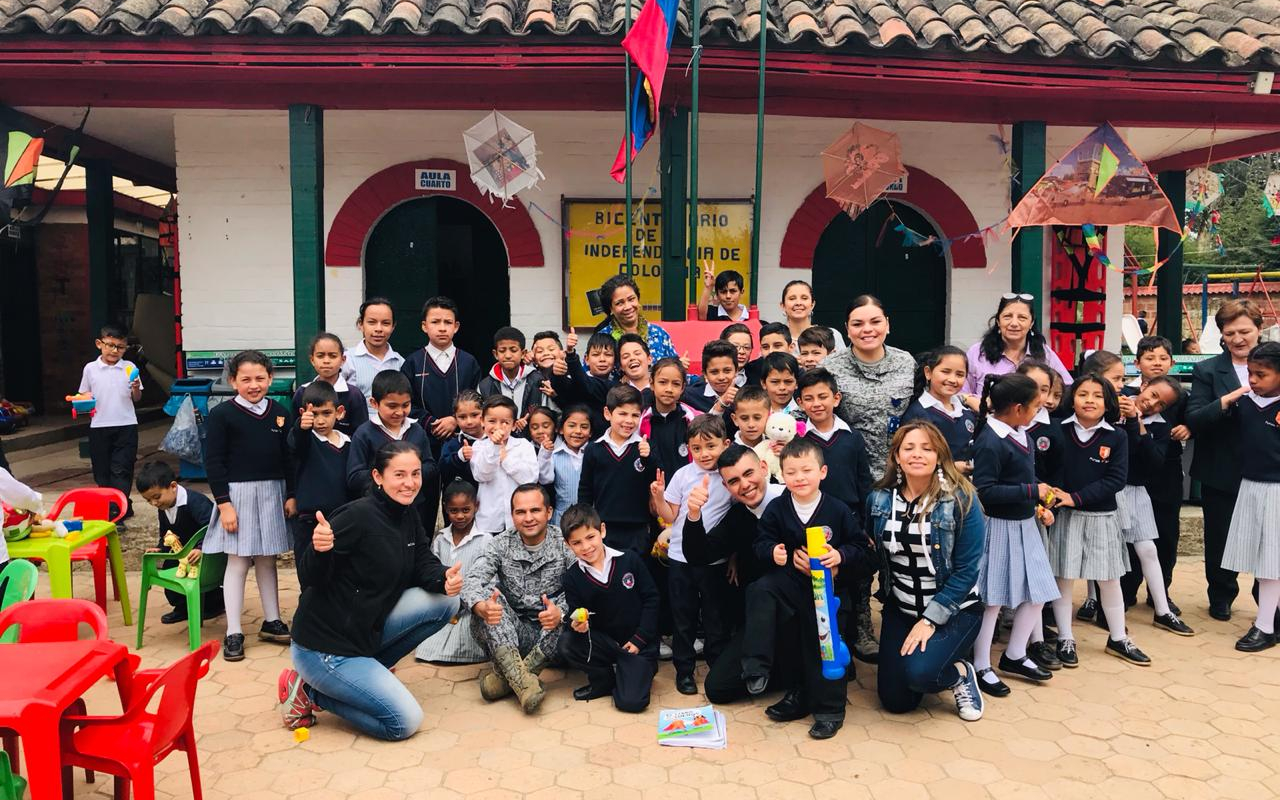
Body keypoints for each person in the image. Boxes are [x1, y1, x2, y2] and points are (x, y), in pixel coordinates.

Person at [280, 441, 464, 739]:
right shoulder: (356, 516)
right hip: (325, 648)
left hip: (364, 631)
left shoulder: (407, 513)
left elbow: (421, 561)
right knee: (404, 722)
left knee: (448, 602)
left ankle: (370, 671)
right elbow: (310, 577)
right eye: (399, 475)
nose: (409, 483)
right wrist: (320, 550)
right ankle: (310, 692)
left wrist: (444, 578)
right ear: (378, 476)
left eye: (415, 474)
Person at [742, 437, 875, 740]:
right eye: (791, 472)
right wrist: (772, 551)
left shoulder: (838, 510)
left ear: (822, 472)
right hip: (790, 584)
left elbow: (862, 551)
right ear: (781, 474)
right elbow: (761, 542)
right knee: (761, 590)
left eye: (806, 470)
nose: (799, 478)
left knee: (823, 645)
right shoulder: (777, 508)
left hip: (828, 590)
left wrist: (840, 557)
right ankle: (761, 669)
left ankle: (830, 710)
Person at [868, 421, 986, 722]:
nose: (917, 454)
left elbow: (967, 571)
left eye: (927, 448)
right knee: (896, 701)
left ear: (939, 456)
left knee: (920, 675)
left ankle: (960, 674)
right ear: (897, 456)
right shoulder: (879, 499)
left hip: (954, 610)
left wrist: (929, 620)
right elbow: (870, 553)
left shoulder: (962, 499)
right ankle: (929, 663)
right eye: (908, 448)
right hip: (902, 608)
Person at [822, 294, 917, 661]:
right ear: (847, 329)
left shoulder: (906, 363)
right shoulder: (832, 366)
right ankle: (861, 623)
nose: (867, 330)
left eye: (875, 321)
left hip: (900, 475)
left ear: (887, 324)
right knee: (861, 548)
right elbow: (808, 407)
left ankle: (900, 617)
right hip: (849, 476)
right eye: (858, 323)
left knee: (899, 547)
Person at [1046, 374, 1152, 667]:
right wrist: (1057, 497)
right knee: (1063, 578)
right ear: (1072, 400)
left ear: (1108, 403)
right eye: (1082, 394)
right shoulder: (1057, 430)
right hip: (1065, 517)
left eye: (1097, 396)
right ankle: (1065, 637)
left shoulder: (1116, 436)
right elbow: (1048, 469)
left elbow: (1116, 479)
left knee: (1109, 579)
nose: (1089, 401)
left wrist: (1075, 497)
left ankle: (1118, 637)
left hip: (1102, 517)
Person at [202, 350, 295, 662]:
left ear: (270, 378)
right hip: (237, 496)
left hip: (272, 492)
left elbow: (289, 458)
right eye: (246, 379)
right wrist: (224, 504)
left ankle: (272, 621)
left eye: (260, 378)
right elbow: (213, 462)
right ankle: (233, 631)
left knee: (268, 559)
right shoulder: (221, 415)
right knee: (239, 562)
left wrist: (291, 494)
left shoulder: (280, 412)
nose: (254, 385)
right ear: (233, 381)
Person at [969, 373, 1058, 697]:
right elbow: (985, 491)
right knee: (991, 601)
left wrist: (1037, 501)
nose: (1038, 411)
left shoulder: (1022, 433)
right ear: (1018, 408)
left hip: (1024, 524)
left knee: (1038, 591)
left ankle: (1015, 654)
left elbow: (1024, 478)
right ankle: (981, 665)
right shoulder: (990, 441)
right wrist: (1032, 491)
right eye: (1035, 406)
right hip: (998, 527)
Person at [681, 446, 790, 707]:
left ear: (764, 468)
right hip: (760, 622)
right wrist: (693, 514)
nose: (744, 485)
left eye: (748, 474)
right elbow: (699, 555)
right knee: (718, 687)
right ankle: (784, 672)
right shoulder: (739, 516)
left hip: (800, 614)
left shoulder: (793, 500)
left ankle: (799, 671)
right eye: (734, 481)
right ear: (726, 487)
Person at [463, 484, 577, 713]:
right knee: (488, 599)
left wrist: (561, 613)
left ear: (549, 512)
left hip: (553, 638)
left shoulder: (564, 542)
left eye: (535, 510)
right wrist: (482, 607)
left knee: (565, 608)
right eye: (520, 512)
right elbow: (472, 579)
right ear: (512, 515)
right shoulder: (501, 543)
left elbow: (587, 584)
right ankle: (524, 682)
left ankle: (507, 679)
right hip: (511, 636)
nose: (528, 518)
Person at [1186, 299, 1264, 622]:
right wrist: (1228, 400)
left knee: (1268, 539)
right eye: (1230, 333)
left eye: (1245, 331)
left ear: (1259, 329)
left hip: (1267, 469)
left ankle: (1267, 600)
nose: (1238, 339)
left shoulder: (1276, 364)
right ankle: (1221, 595)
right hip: (1220, 467)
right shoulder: (1207, 370)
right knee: (1220, 537)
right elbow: (1195, 418)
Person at [650, 415, 733, 695]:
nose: (704, 453)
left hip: (715, 561)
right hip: (680, 559)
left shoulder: (729, 476)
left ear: (725, 444)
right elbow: (670, 516)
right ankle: (684, 671)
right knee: (682, 617)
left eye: (710, 446)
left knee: (715, 617)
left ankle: (717, 666)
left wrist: (733, 557)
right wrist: (659, 497)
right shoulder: (683, 475)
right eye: (696, 448)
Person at [559, 503, 660, 711]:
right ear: (567, 544)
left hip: (637, 644)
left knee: (631, 702)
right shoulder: (572, 577)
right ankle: (603, 680)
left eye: (590, 537)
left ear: (602, 530)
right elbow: (575, 613)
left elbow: (652, 600)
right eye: (577, 542)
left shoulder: (630, 560)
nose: (586, 547)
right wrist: (577, 625)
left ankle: (636, 670)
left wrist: (640, 639)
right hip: (606, 644)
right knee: (567, 643)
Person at [1219, 342, 1280, 652]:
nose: (1253, 380)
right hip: (1251, 486)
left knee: (1272, 563)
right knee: (1264, 561)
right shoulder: (1244, 404)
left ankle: (1265, 627)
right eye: (1251, 374)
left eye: (1262, 375)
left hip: (1276, 490)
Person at [1120, 375, 1193, 635]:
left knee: (1149, 549)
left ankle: (1162, 610)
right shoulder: (1114, 407)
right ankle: (1099, 602)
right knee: (1107, 549)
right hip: (1109, 491)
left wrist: (1138, 424)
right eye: (1151, 395)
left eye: (1161, 403)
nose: (1152, 403)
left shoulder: (1160, 426)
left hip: (1137, 491)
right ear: (1143, 386)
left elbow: (1153, 461)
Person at [347, 370, 439, 530]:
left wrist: (412, 474)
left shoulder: (417, 430)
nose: (399, 412)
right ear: (374, 403)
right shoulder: (364, 434)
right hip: (377, 511)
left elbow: (430, 466)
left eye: (405, 405)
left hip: (413, 509)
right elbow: (354, 477)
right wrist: (388, 477)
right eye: (392, 406)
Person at [136, 461, 224, 625]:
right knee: (169, 570)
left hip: (207, 553)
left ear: (173, 486)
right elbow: (166, 534)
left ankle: (215, 603)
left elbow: (213, 528)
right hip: (182, 554)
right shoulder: (163, 507)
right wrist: (159, 548)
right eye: (148, 501)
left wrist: (201, 548)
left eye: (156, 497)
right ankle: (183, 607)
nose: (154, 503)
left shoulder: (195, 502)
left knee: (205, 578)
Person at [415, 480, 491, 663]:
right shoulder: (440, 539)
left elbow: (486, 580)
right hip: (444, 604)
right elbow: (432, 570)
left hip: (471, 607)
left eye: (466, 510)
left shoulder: (485, 540)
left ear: (476, 506)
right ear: (445, 509)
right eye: (453, 511)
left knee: (466, 637)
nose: (460, 516)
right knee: (428, 642)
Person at [578, 385, 656, 556]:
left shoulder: (645, 447)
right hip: (604, 528)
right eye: (622, 414)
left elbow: (655, 483)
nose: (629, 420)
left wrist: (648, 459)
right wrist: (586, 522)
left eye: (635, 415)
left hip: (638, 529)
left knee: (635, 569)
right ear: (608, 413)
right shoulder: (594, 449)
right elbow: (585, 489)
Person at [400, 296, 483, 458]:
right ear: (424, 326)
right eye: (435, 322)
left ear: (456, 327)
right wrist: (432, 423)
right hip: (422, 443)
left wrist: (455, 420)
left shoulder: (468, 362)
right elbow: (406, 404)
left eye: (448, 322)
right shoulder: (413, 363)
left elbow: (479, 400)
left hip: (465, 445)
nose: (442, 328)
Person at [78, 323, 142, 520]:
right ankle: (115, 505)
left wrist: (135, 387)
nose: (115, 351)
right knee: (102, 470)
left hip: (126, 424)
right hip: (99, 425)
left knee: (122, 468)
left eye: (120, 347)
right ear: (99, 344)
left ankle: (117, 511)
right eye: (111, 345)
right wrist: (82, 401)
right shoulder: (90, 369)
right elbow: (83, 394)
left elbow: (137, 398)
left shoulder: (130, 367)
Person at [962, 294, 1073, 395]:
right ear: (998, 321)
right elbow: (962, 393)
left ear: (1031, 323)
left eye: (1022, 318)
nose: (1014, 323)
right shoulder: (978, 352)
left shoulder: (1044, 353)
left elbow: (1068, 388)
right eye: (1007, 316)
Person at [288, 381, 351, 558]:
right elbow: (297, 441)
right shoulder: (306, 439)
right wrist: (302, 427)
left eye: (326, 413)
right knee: (309, 567)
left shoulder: (349, 442)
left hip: (342, 518)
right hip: (309, 520)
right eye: (314, 414)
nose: (320, 420)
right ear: (303, 413)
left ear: (339, 412)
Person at [797, 368, 872, 514]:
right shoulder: (798, 440)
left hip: (850, 516)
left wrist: (864, 521)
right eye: (809, 399)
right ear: (800, 403)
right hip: (811, 516)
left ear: (836, 399)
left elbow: (863, 483)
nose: (816, 404)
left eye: (822, 397)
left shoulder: (852, 437)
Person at [470, 395, 539, 535]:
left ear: (513, 425)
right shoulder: (479, 446)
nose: (498, 427)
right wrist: (494, 449)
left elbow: (530, 479)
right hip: (489, 521)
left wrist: (506, 460)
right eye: (492, 421)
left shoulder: (524, 446)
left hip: (519, 521)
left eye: (505, 422)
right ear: (482, 421)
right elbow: (481, 475)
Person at [901, 346, 977, 471]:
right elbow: (912, 459)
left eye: (960, 374)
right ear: (928, 373)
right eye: (945, 372)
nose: (952, 380)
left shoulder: (967, 413)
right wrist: (952, 468)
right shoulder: (918, 415)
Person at [292, 332, 369, 437]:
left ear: (343, 360)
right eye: (320, 356)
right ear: (312, 360)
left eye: (333, 356)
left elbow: (361, 434)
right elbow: (293, 433)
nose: (326, 361)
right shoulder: (302, 392)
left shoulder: (354, 395)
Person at [343, 298, 403, 417]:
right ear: (361, 324)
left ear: (393, 326)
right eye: (372, 322)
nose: (378, 329)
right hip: (355, 426)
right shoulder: (347, 359)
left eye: (385, 323)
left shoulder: (400, 362)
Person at [596, 274, 677, 361]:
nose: (628, 307)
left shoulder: (658, 333)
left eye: (631, 299)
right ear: (611, 308)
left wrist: (678, 364)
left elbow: (673, 366)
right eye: (619, 303)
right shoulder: (603, 338)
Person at [641, 358, 699, 480]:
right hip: (652, 489)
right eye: (663, 382)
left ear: (683, 387)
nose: (669, 389)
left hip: (688, 488)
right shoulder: (641, 421)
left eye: (676, 384)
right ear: (651, 383)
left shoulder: (693, 419)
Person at [478, 326, 546, 428]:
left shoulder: (538, 381)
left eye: (513, 350)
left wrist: (530, 421)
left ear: (523, 353)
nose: (508, 355)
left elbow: (546, 414)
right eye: (502, 351)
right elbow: (481, 420)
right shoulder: (485, 386)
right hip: (498, 436)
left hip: (531, 436)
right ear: (495, 354)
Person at [550, 404, 593, 525]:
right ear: (561, 429)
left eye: (584, 427)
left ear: (590, 432)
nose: (578, 431)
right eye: (571, 426)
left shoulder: (596, 454)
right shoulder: (554, 456)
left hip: (590, 519)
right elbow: (545, 479)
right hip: (561, 519)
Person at [778, 280, 845, 352]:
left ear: (812, 305)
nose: (798, 303)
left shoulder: (832, 335)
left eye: (804, 298)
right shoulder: (775, 339)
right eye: (792, 298)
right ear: (783, 306)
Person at [438, 389, 483, 489]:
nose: (469, 421)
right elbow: (443, 469)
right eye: (462, 417)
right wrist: (459, 457)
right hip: (466, 497)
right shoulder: (452, 443)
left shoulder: (494, 439)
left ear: (484, 414)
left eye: (474, 415)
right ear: (455, 418)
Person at [683, 340, 739, 415]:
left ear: (736, 371)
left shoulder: (745, 396)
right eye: (714, 372)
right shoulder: (689, 397)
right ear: (705, 374)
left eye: (727, 371)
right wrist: (721, 404)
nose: (721, 377)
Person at [761, 351, 803, 418]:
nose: (782, 387)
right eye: (775, 382)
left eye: (788, 382)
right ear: (763, 383)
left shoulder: (804, 416)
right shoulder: (757, 415)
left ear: (796, 383)